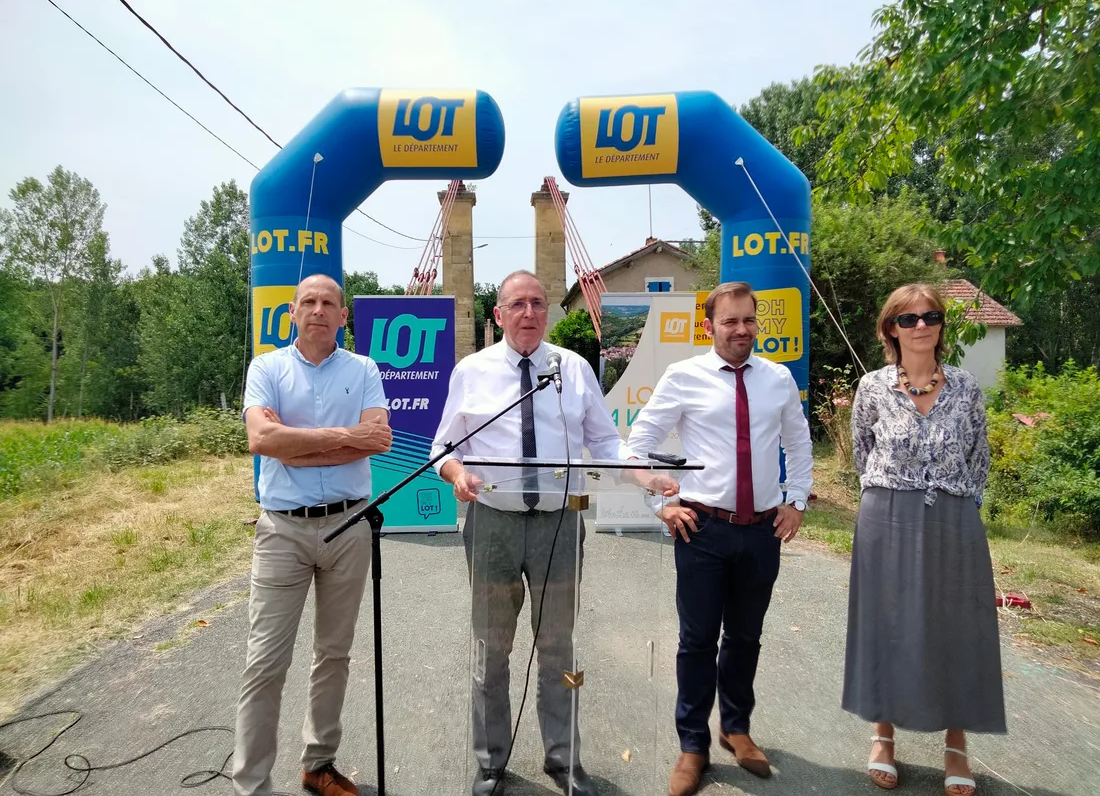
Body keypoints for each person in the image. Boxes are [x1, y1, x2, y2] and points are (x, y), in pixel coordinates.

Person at [431, 270, 675, 796]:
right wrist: (457, 475)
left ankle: (563, 761)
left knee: (559, 650)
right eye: (516, 304)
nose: (528, 313)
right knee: (489, 649)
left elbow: (606, 445)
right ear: (498, 315)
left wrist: (645, 474)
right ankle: (490, 762)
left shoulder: (575, 369)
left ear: (548, 312)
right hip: (492, 523)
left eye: (538, 304)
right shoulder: (471, 371)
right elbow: (442, 448)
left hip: (561, 525)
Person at [626, 281, 814, 796]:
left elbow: (799, 444)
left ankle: (736, 728)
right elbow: (637, 446)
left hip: (761, 533)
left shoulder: (777, 379)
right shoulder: (683, 377)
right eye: (730, 321)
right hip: (703, 529)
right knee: (696, 641)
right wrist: (660, 502)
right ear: (710, 327)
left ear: (758, 322)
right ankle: (692, 746)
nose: (741, 330)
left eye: (749, 320)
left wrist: (796, 501)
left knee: (746, 637)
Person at [233, 273, 393, 796]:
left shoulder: (364, 369)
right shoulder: (267, 368)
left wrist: (293, 442)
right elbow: (261, 438)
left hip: (348, 526)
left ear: (343, 316)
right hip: (283, 531)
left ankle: (318, 763)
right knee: (265, 661)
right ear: (293, 312)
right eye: (309, 301)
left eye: (329, 302)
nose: (319, 309)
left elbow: (379, 441)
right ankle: (252, 785)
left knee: (334, 654)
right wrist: (346, 438)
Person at [843, 283, 1005, 795]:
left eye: (930, 316)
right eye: (908, 319)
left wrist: (956, 501)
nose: (921, 326)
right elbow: (862, 454)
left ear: (941, 325)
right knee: (886, 622)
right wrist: (896, 495)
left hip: (955, 517)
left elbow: (979, 458)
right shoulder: (872, 388)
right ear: (891, 328)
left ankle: (956, 742)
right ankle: (882, 735)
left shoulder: (966, 386)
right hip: (886, 513)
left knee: (957, 623)